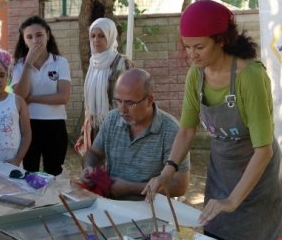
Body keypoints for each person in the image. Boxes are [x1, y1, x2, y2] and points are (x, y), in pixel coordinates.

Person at [146, 0, 282, 240]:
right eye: (187, 47)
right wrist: (168, 170)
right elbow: (187, 130)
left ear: (221, 40)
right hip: (221, 176)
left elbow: (263, 150)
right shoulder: (196, 75)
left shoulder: (250, 76)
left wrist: (233, 200)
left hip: (257, 182)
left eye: (199, 46)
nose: (192, 54)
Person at [81, 68, 188, 200]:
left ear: (149, 100)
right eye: (118, 101)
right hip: (111, 203)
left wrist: (130, 188)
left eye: (130, 103)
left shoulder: (171, 130)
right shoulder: (112, 119)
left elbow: (179, 186)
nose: (122, 109)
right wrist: (89, 168)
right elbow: (94, 154)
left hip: (152, 209)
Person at [12, 16, 71, 176]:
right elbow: (19, 97)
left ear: (47, 35)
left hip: (55, 125)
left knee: (54, 171)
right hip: (28, 125)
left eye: (39, 35)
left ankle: (54, 200)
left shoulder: (60, 62)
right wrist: (28, 64)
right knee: (29, 170)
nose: (35, 40)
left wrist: (33, 98)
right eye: (29, 37)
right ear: (24, 41)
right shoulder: (19, 65)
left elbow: (63, 97)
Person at [78, 17, 133, 155]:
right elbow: (88, 104)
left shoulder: (122, 63)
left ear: (110, 36)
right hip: (95, 127)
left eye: (102, 36)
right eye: (93, 36)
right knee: (96, 171)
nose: (96, 40)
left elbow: (132, 95)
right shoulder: (93, 64)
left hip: (118, 125)